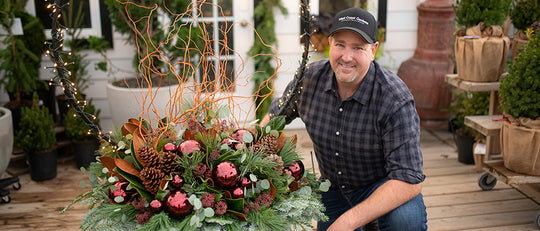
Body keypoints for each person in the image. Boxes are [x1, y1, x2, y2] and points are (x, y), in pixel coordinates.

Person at [261, 7, 427, 231]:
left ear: (373, 50)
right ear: (330, 43)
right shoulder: (309, 79)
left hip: (381, 187)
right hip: (333, 189)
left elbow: (408, 180)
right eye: (340, 44)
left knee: (405, 221)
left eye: (358, 47)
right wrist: (241, 153)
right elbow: (273, 119)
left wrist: (348, 222)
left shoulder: (394, 98)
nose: (346, 57)